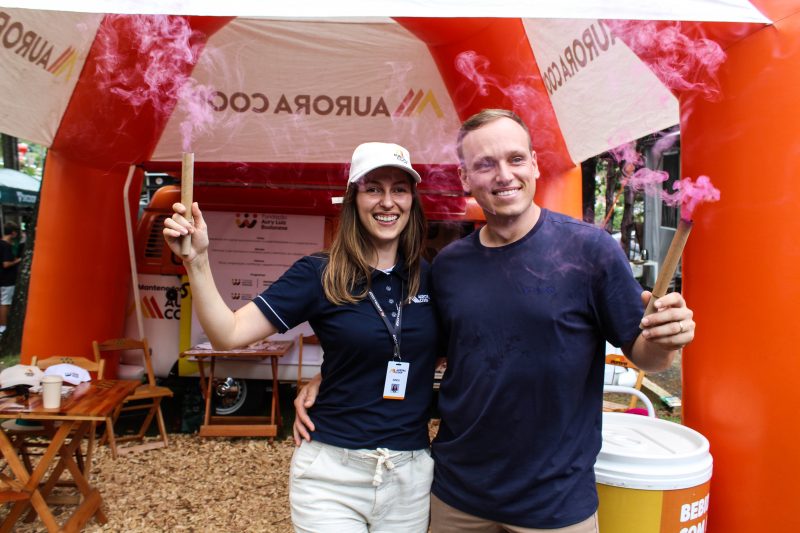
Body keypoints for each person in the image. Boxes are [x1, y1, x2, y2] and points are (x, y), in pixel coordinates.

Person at [427, 109, 696, 532]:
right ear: (464, 178)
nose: (503, 175)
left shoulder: (591, 251)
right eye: (485, 164)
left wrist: (666, 337)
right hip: (458, 494)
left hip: (556, 502)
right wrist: (330, 377)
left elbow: (646, 356)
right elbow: (427, 352)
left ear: (534, 163)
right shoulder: (448, 266)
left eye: (515, 159)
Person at [163, 142, 438, 533]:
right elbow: (230, 333)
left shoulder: (430, 276)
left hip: (409, 477)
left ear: (412, 199)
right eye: (373, 188)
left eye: (399, 189)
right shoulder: (319, 272)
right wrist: (198, 260)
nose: (387, 201)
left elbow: (440, 349)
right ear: (352, 199)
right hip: (331, 474)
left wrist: (324, 375)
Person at [0, 221, 22, 334]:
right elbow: (6, 264)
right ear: (13, 233)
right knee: (5, 302)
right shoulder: (7, 246)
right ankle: (3, 327)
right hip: (7, 279)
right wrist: (18, 260)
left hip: (1, 278)